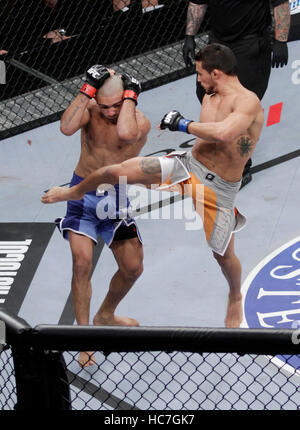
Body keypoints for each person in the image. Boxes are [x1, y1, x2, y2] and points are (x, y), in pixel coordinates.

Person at [42, 44, 265, 329]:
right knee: (117, 171)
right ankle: (72, 192)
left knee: (222, 255)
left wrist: (183, 124)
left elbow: (224, 133)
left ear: (216, 73)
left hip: (219, 188)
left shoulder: (248, 101)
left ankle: (235, 295)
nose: (197, 79)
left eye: (200, 74)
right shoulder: (210, 94)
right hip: (188, 166)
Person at [49, 65, 150, 367]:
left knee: (132, 268)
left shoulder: (139, 122)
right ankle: (84, 336)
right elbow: (66, 128)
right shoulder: (90, 110)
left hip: (114, 197)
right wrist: (86, 88)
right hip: (82, 191)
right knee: (81, 264)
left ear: (128, 98)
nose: (108, 112)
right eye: (104, 106)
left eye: (116, 105)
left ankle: (106, 313)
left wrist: (129, 98)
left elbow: (126, 132)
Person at [182, 0, 290, 188]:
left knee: (240, 107)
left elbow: (280, 4)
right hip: (219, 43)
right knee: (206, 94)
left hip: (251, 44)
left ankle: (241, 167)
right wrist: (189, 36)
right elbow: (198, 3)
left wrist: (281, 40)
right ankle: (221, 152)